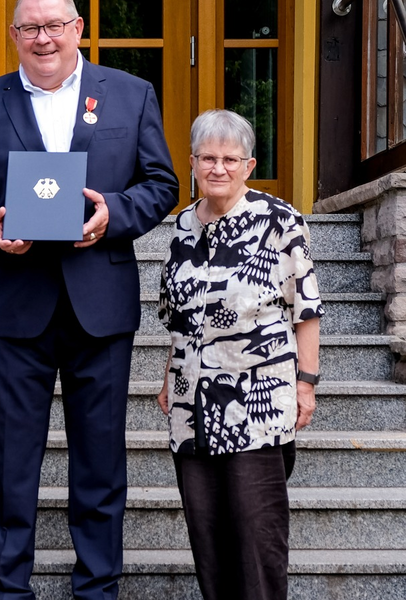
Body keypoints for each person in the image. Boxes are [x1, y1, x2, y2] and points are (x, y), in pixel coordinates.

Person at [0, 0, 179, 597]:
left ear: (77, 29)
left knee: (101, 464)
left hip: (99, 303)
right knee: (12, 464)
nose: (43, 39)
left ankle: (97, 589)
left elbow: (161, 185)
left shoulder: (130, 93)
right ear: (14, 35)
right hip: (14, 304)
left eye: (54, 26)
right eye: (30, 28)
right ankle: (9, 589)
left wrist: (113, 214)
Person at [156, 109, 324, 600]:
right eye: (208, 158)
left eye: (231, 159)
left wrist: (306, 383)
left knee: (256, 535)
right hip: (190, 407)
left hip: (258, 402)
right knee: (206, 535)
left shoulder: (280, 222)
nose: (219, 168)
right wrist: (169, 377)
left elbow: (306, 310)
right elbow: (178, 316)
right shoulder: (183, 227)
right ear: (192, 163)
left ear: (249, 165)